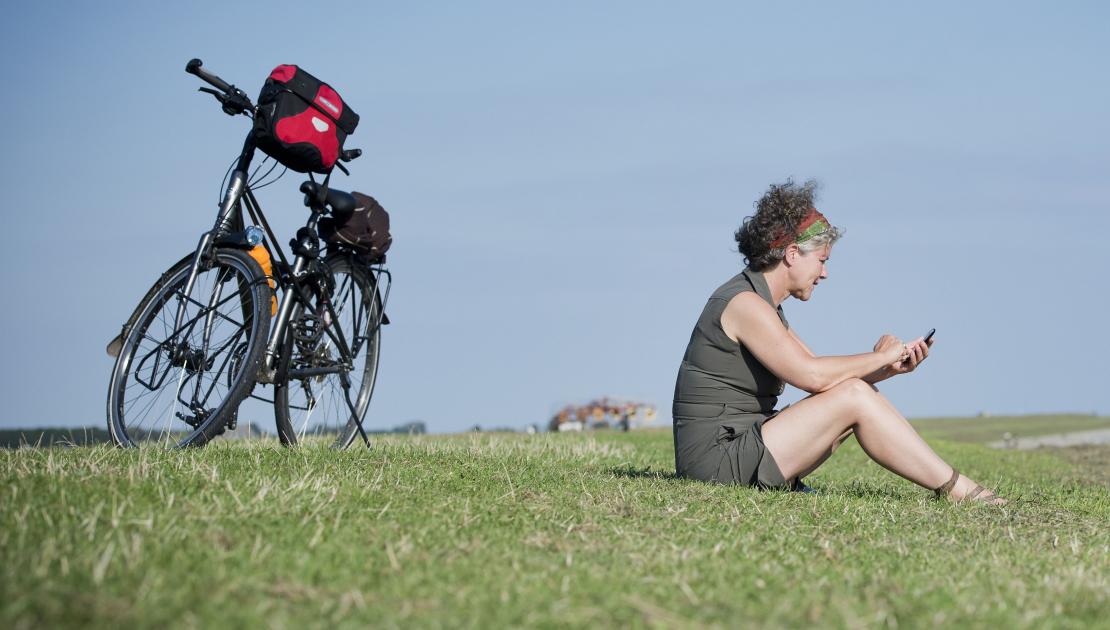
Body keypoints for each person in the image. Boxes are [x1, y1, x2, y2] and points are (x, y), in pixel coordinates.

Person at [671, 179, 1004, 504]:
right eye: (822, 261)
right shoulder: (746, 305)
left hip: (738, 447)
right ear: (791, 254)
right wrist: (881, 356)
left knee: (856, 392)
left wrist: (890, 368)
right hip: (715, 463)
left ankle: (957, 488)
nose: (825, 273)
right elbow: (813, 375)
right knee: (854, 395)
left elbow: (823, 382)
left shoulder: (763, 304)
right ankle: (960, 492)